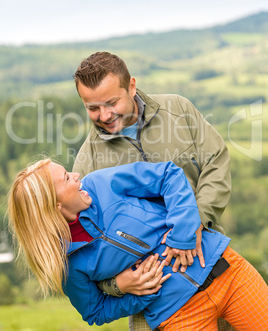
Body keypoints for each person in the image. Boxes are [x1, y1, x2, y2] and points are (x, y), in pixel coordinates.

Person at [72, 51, 232, 330]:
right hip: (156, 304)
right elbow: (83, 251)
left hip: (214, 264)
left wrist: (197, 220)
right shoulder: (87, 165)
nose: (105, 115)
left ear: (131, 86)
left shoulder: (179, 110)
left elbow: (215, 160)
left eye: (111, 103)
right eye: (93, 108)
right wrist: (116, 285)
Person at [8, 159, 268, 331]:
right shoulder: (68, 264)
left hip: (227, 272)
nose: (77, 176)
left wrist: (182, 234)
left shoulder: (102, 183)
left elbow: (168, 175)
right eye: (66, 178)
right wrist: (127, 290)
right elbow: (95, 311)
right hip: (179, 315)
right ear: (56, 207)